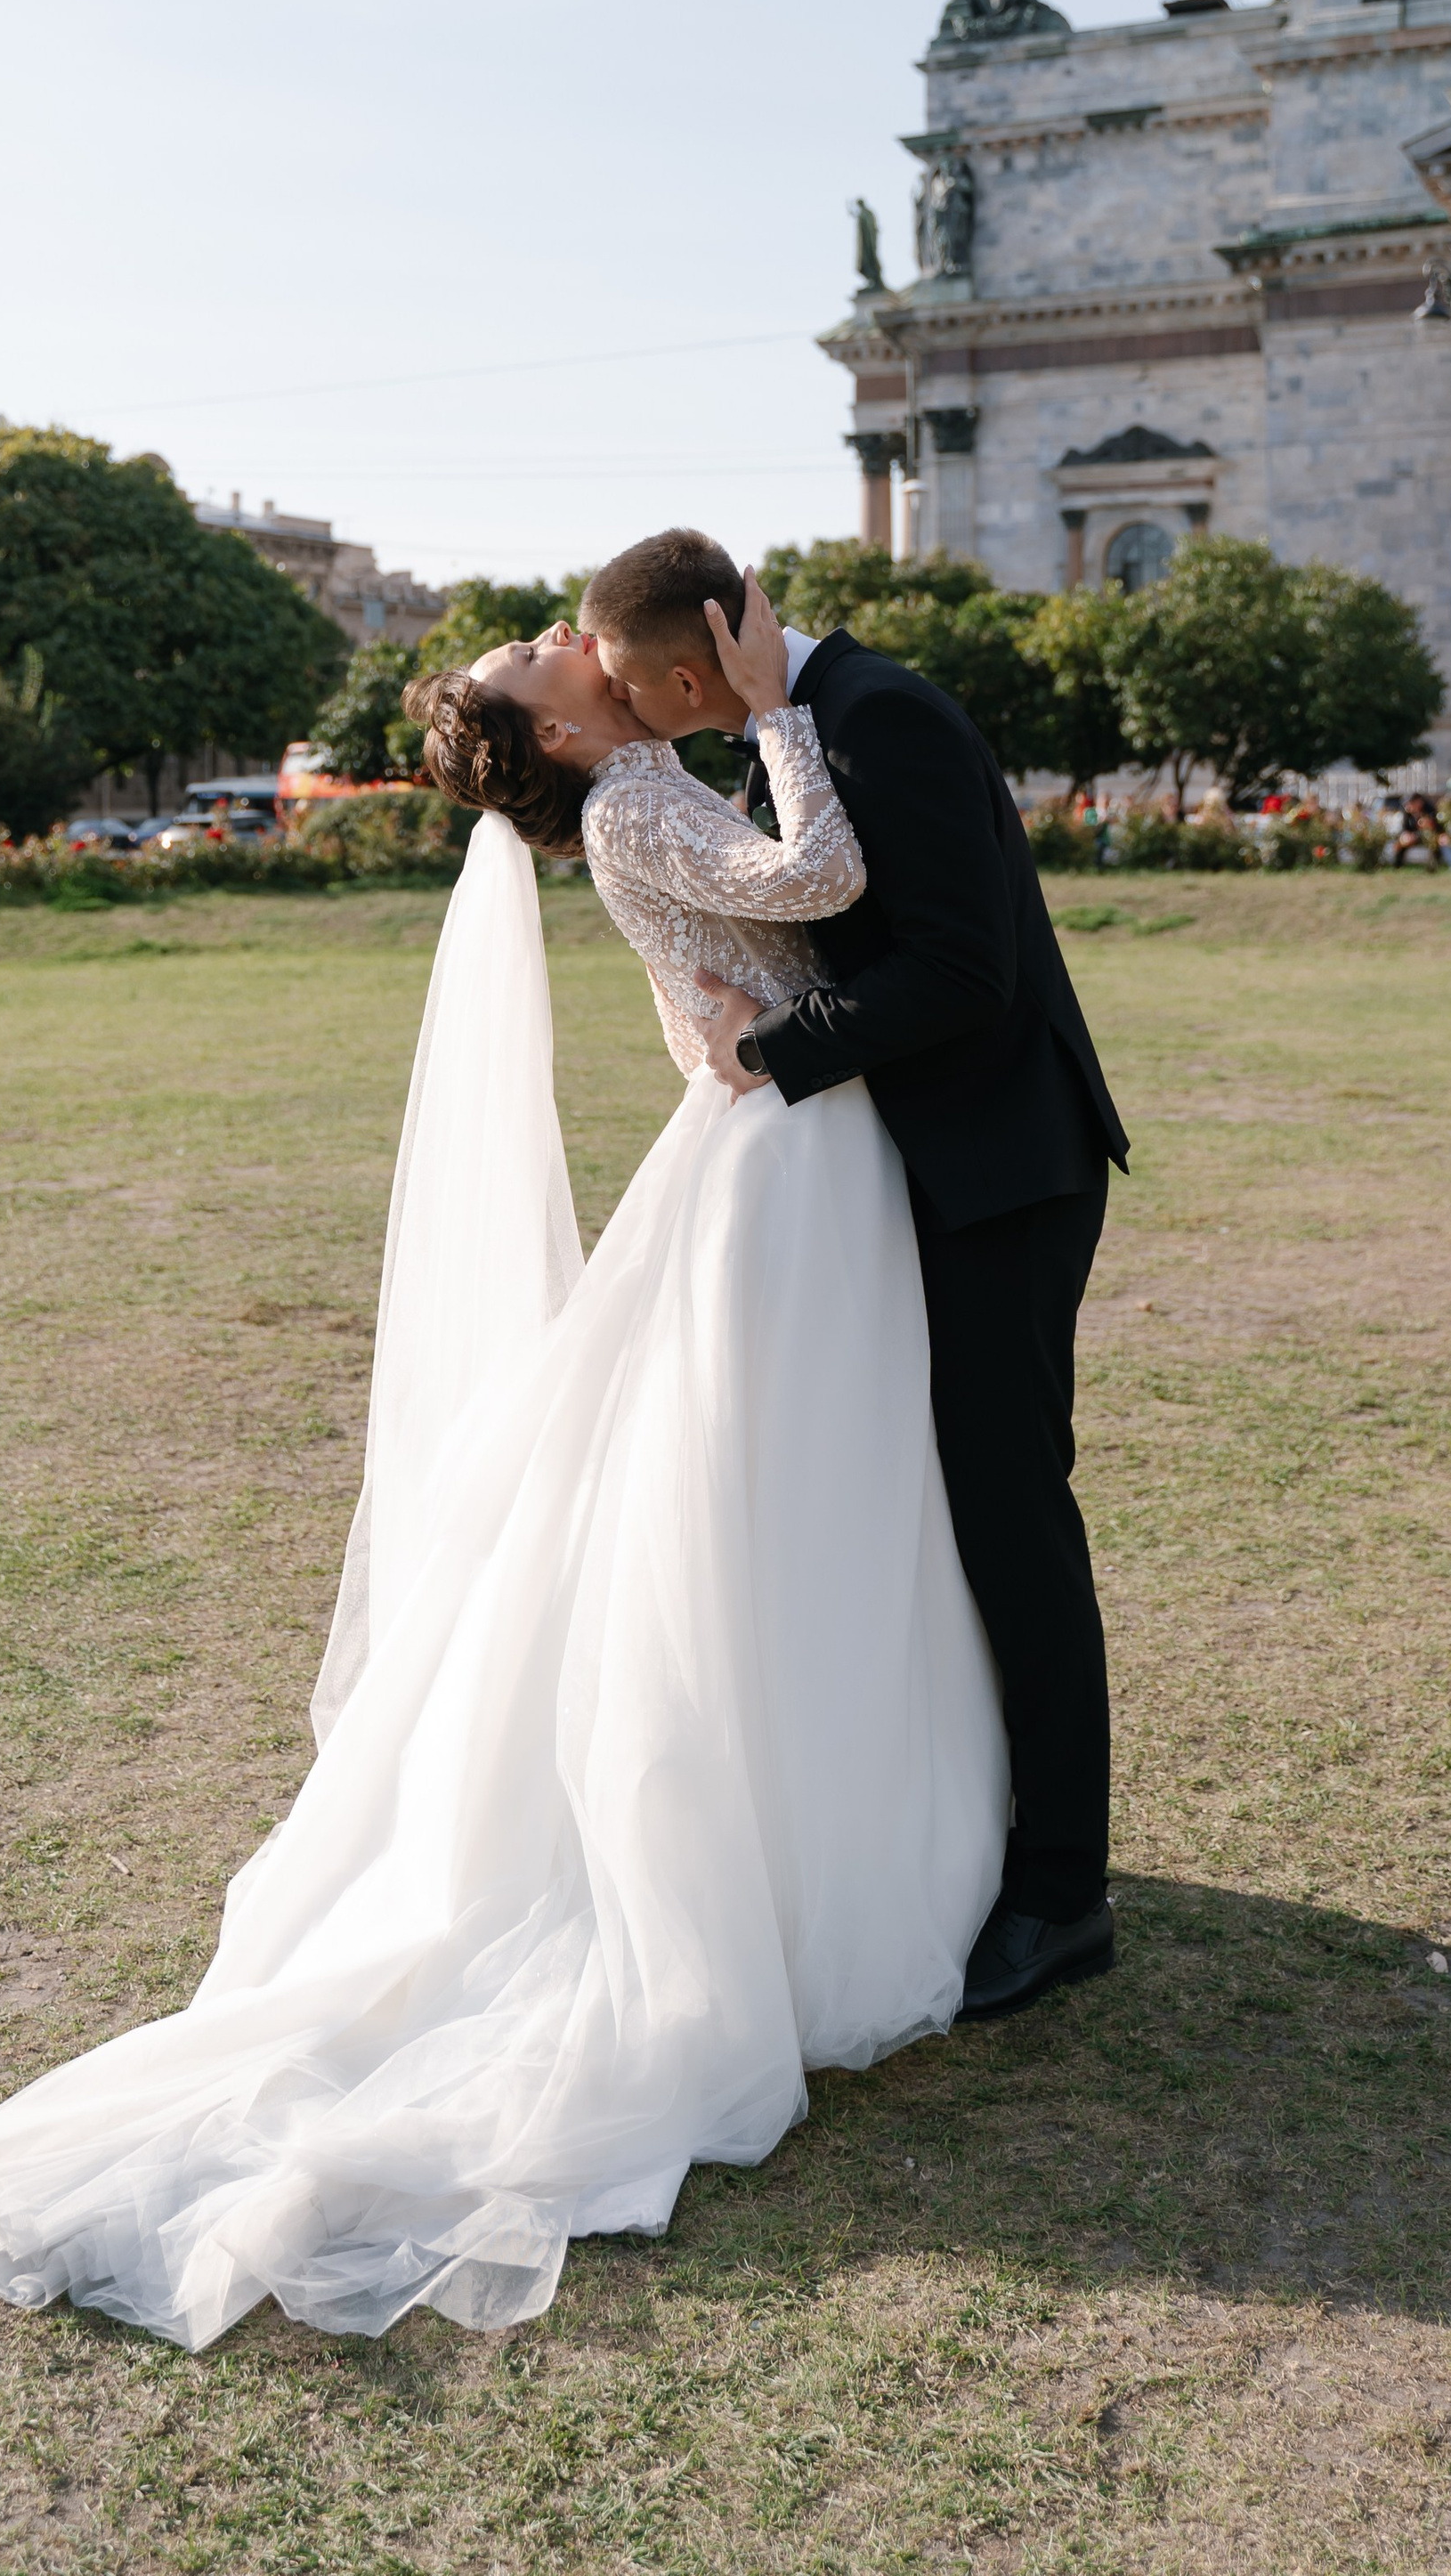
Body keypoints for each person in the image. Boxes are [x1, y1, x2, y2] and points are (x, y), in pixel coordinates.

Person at [0, 570, 1008, 2349]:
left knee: (772, 1502)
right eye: (539, 659)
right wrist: (781, 716)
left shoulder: (618, 797)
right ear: (568, 727)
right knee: (788, 1503)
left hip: (769, 1147)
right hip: (787, 1167)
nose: (561, 644)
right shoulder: (642, 790)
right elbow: (812, 884)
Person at [581, 530, 1129, 2023]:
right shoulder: (793, 736)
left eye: (640, 679)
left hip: (1003, 1172)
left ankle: (1063, 1891)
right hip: (914, 1176)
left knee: (1014, 1515)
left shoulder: (884, 716)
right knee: (943, 1514)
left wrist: (769, 1054)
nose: (639, 706)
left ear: (703, 641)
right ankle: (977, 1836)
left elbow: (965, 973)